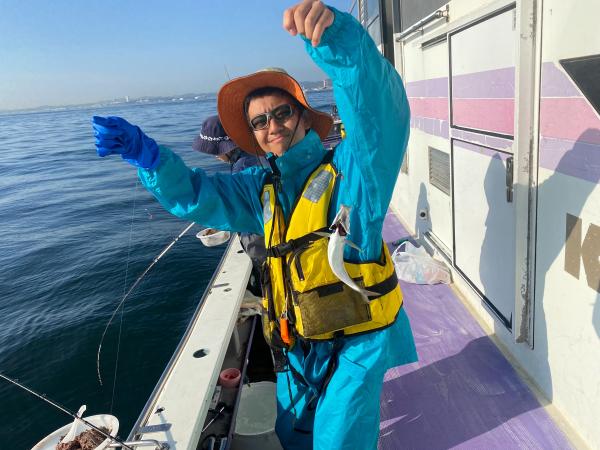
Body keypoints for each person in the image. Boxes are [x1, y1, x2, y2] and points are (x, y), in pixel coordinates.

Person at [92, 1, 417, 449]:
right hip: (296, 343)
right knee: (291, 433)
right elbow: (198, 195)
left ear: (304, 116)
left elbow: (378, 118)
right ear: (254, 136)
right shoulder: (258, 188)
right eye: (259, 121)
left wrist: (341, 43)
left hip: (357, 343)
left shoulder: (354, 170)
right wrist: (150, 159)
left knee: (339, 437)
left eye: (282, 113)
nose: (272, 125)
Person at [193, 114, 266, 296]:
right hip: (263, 230)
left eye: (216, 150)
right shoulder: (250, 155)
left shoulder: (244, 165)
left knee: (265, 275)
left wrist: (222, 222)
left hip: (260, 238)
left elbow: (247, 206)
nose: (216, 156)